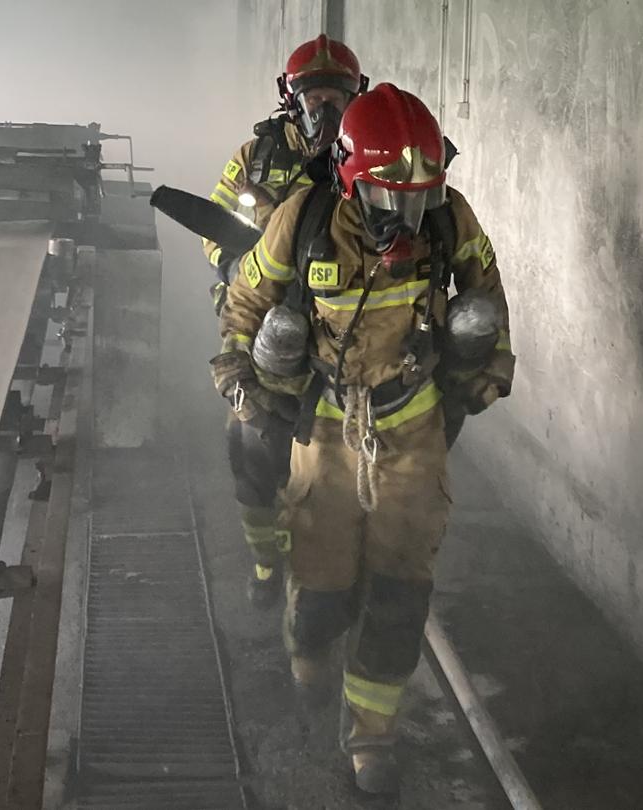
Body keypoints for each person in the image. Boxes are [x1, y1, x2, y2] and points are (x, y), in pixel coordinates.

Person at [209, 83, 515, 794]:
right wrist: (239, 369)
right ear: (349, 179)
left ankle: (370, 736)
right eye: (386, 198)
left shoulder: (448, 218)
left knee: (401, 590)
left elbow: (487, 297)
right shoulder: (304, 220)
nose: (406, 218)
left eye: (418, 199)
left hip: (412, 425)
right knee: (321, 588)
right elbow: (247, 298)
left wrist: (488, 366)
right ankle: (310, 665)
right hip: (326, 424)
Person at [205, 34, 368, 609]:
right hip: (262, 331)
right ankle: (266, 562)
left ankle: (333, 569)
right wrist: (239, 264)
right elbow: (213, 228)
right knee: (253, 453)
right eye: (313, 96)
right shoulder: (255, 159)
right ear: (291, 98)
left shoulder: (367, 156)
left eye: (336, 96)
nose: (325, 108)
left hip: (341, 334)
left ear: (355, 96)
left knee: (339, 462)